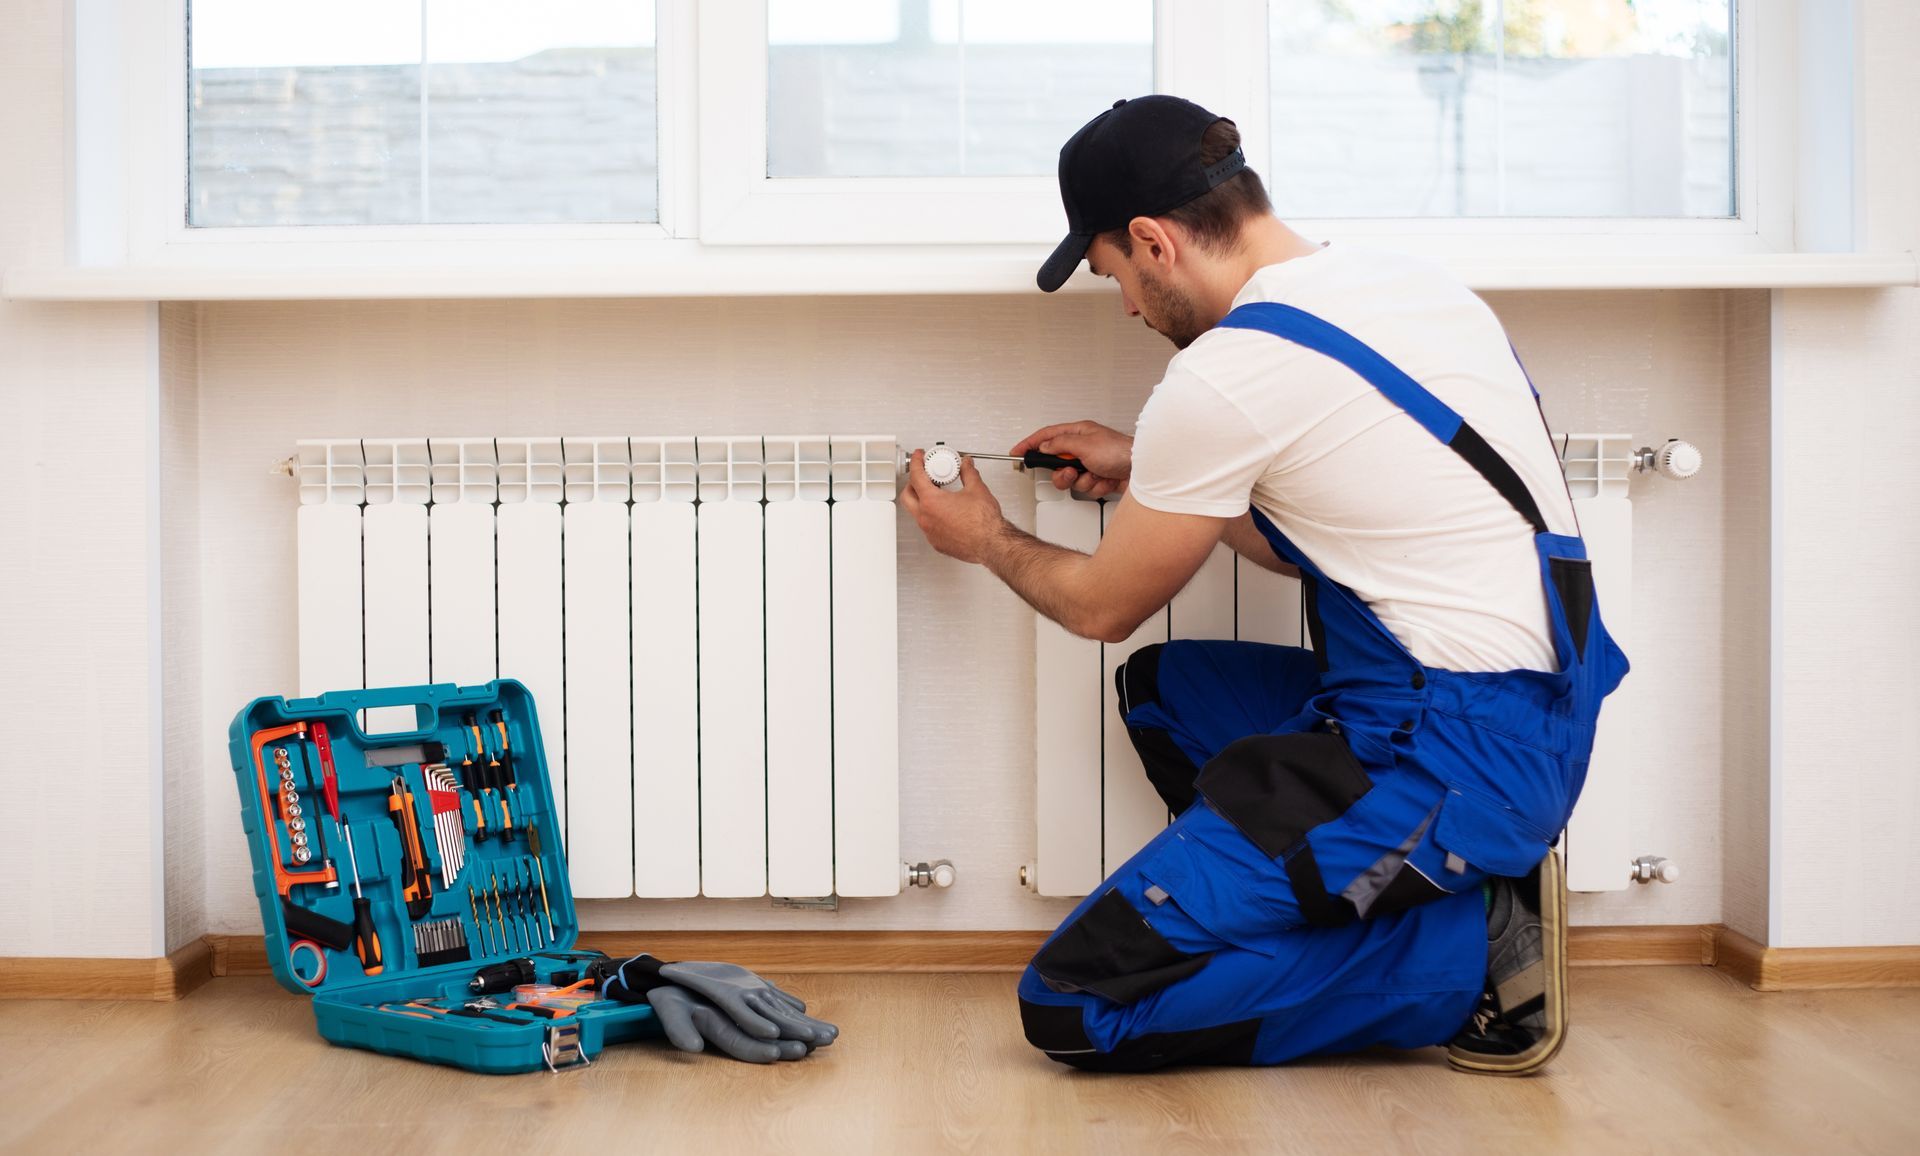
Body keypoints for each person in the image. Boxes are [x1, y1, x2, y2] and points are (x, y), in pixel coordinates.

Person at [901, 95, 1628, 1074]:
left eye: (1115, 273)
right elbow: (1311, 536)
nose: (1124, 304)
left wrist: (987, 538)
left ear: (1154, 242)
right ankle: (1391, 889)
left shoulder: (1226, 375)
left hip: (1444, 756)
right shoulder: (1412, 288)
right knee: (1165, 690)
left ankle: (1470, 954)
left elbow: (1099, 606)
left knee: (1073, 1005)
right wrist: (1145, 467)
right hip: (1528, 718)